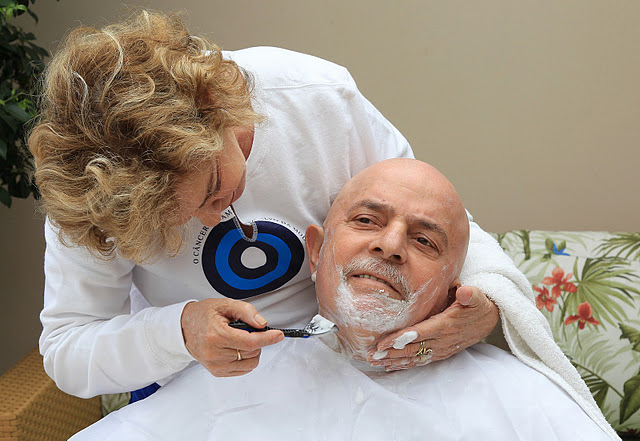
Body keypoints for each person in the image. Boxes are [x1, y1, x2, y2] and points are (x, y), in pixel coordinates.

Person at [31, 10, 513, 399]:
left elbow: (436, 218)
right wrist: (178, 331)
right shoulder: (89, 193)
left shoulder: (316, 99)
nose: (213, 217)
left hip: (354, 365)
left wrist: (490, 303)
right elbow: (68, 349)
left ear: (213, 102)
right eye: (176, 221)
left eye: (215, 184)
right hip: (201, 390)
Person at [68, 159, 617, 440]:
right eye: (366, 220)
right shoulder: (232, 379)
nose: (391, 244)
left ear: (456, 284)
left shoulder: (521, 401)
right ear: (315, 250)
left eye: (425, 240)